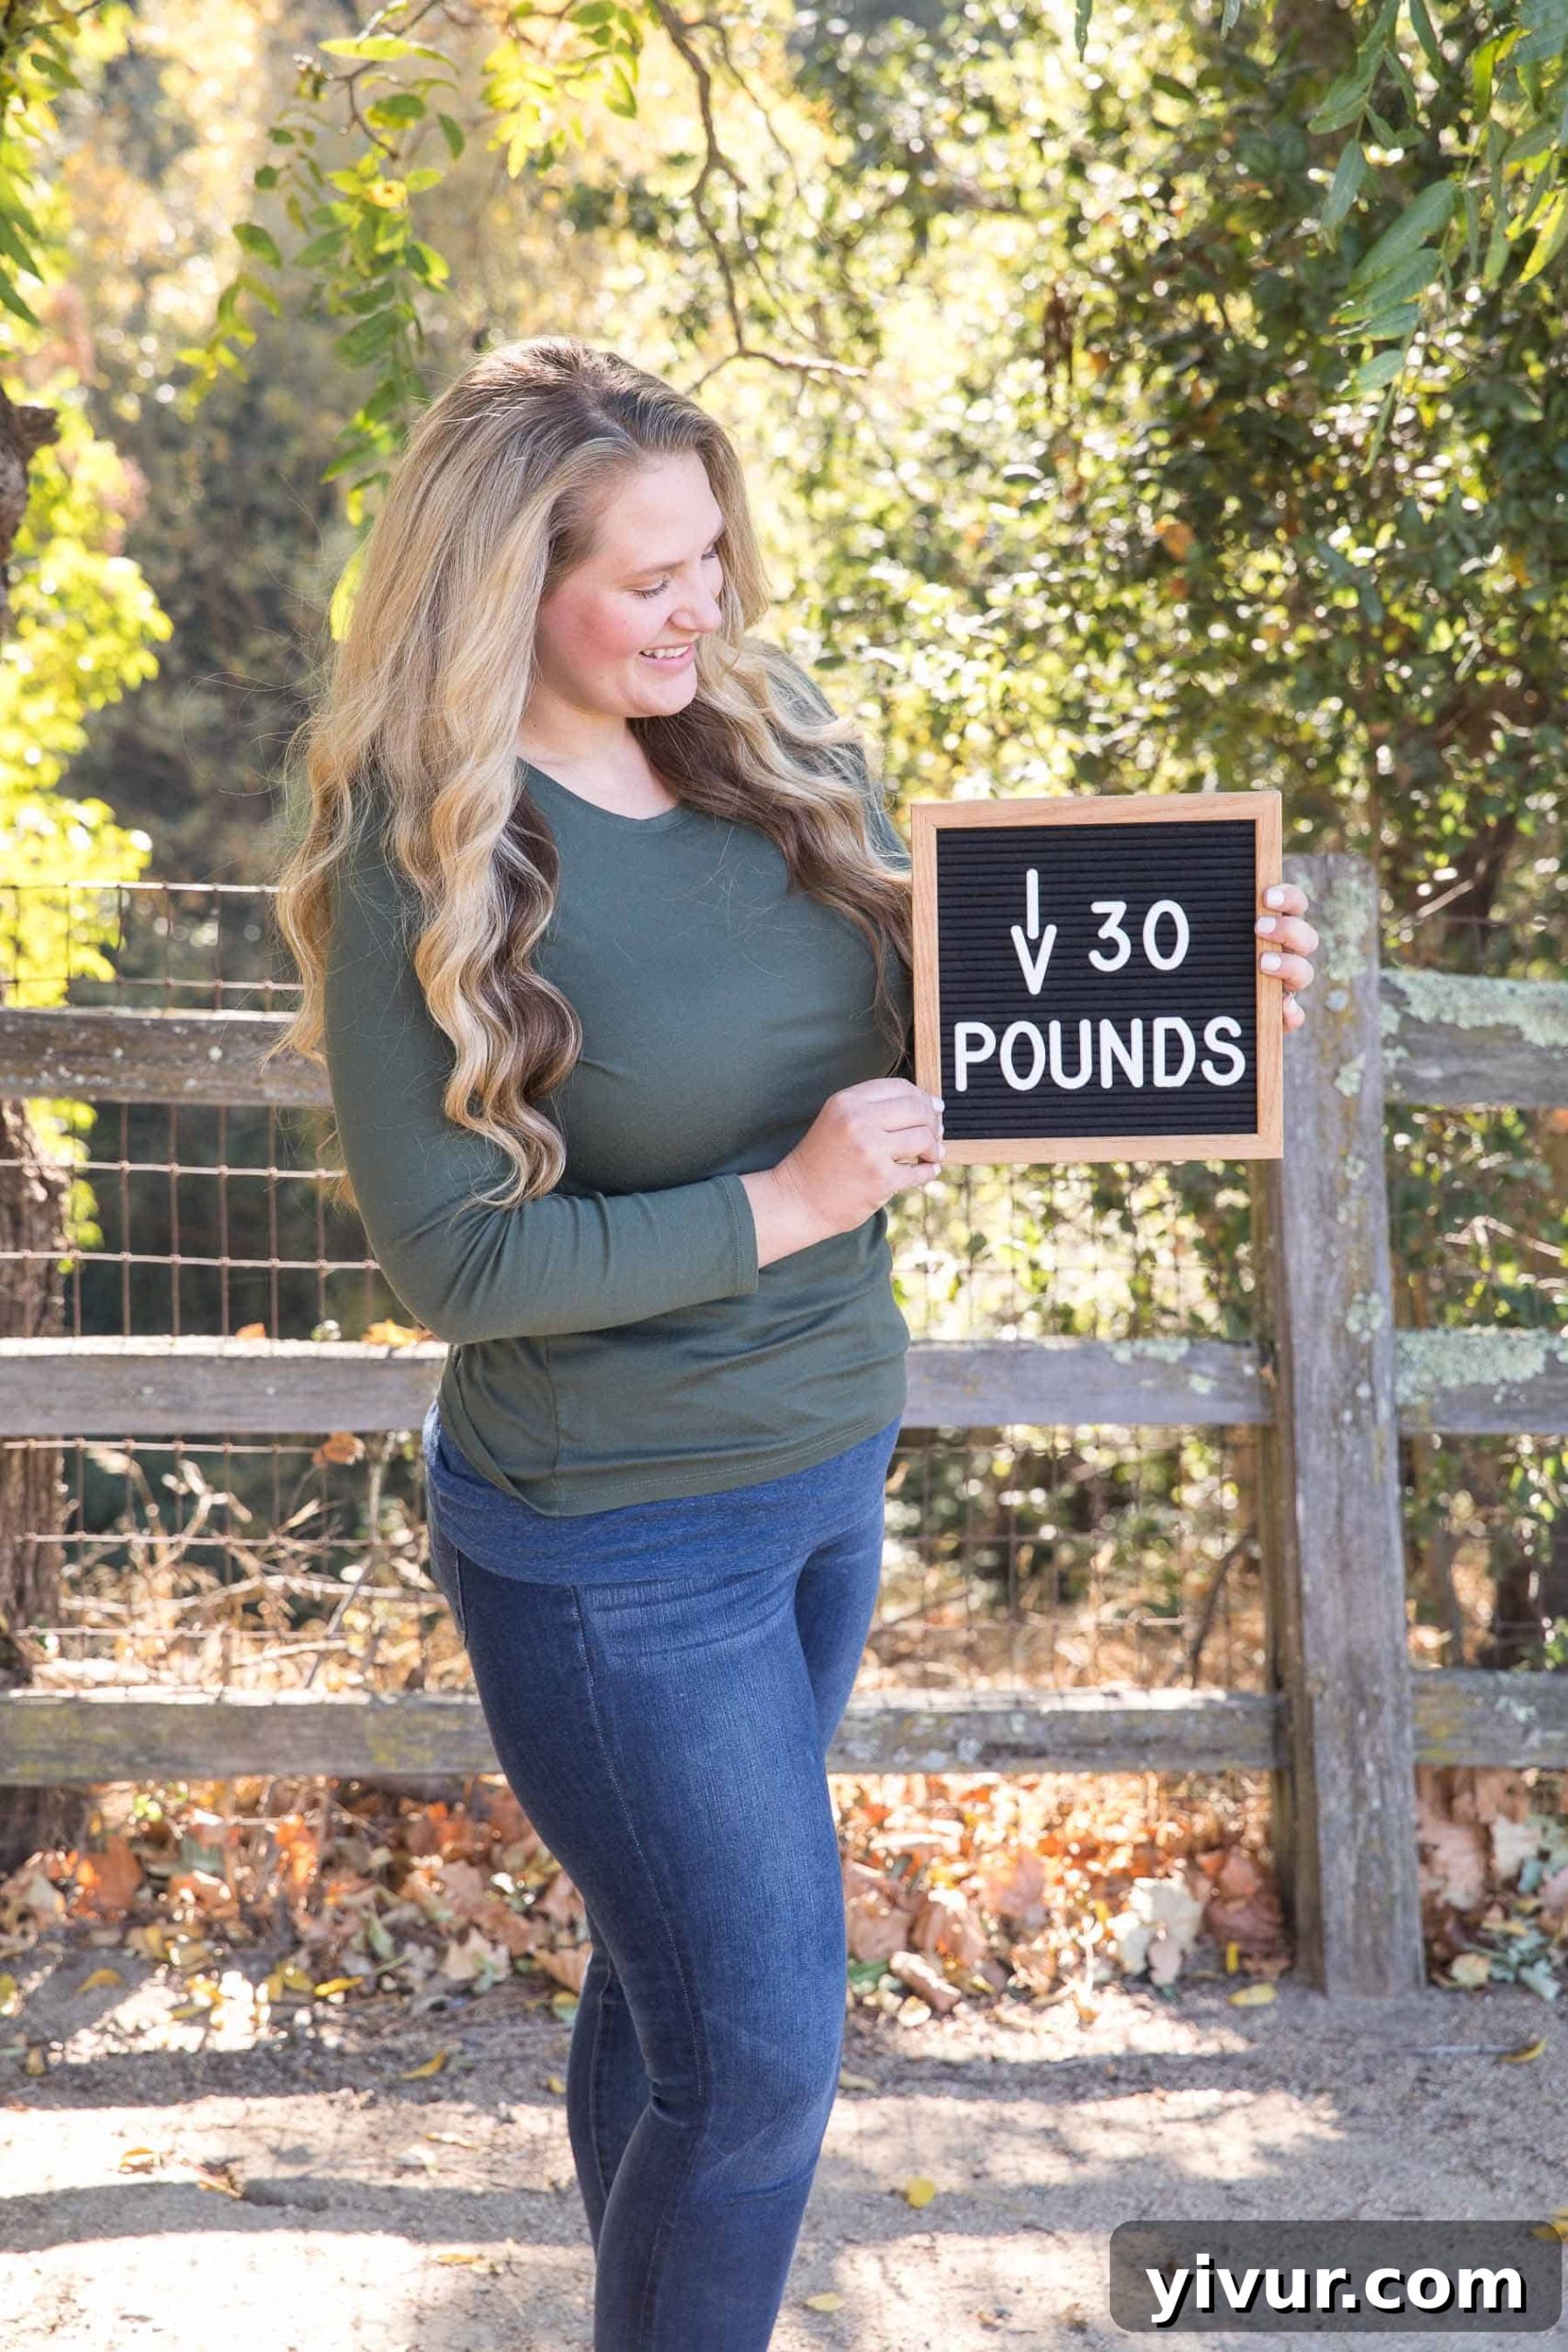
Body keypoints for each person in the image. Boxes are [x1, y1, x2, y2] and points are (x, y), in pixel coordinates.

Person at [269, 334, 1318, 2349]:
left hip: (827, 1457)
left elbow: (922, 1026)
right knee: (755, 2056)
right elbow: (460, 1270)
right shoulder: (426, 853)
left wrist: (1189, 947)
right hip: (609, 1536)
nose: (705, 606)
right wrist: (791, 1199)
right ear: (508, 584)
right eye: (648, 574)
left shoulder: (762, 730)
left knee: (672, 1994)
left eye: (714, 556)